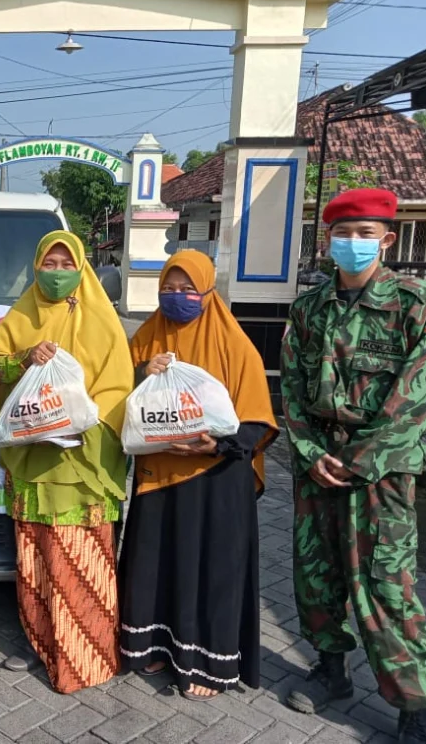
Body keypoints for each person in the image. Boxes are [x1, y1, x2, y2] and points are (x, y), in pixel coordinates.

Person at [281, 188, 426, 743]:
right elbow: (293, 392)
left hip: (383, 474)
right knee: (315, 575)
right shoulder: (308, 308)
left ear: (387, 240)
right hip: (317, 466)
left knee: (387, 586)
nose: (351, 244)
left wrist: (356, 461)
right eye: (342, 234)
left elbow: (417, 398)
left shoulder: (416, 304)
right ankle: (331, 670)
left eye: (364, 235)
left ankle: (415, 704)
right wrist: (309, 454)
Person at [0, 230, 133, 694]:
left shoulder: (102, 320)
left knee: (82, 560)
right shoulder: (20, 314)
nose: (58, 273)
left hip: (82, 466)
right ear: (36, 267)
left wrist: (77, 423)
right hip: (32, 462)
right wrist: (22, 360)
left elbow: (118, 387)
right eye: (51, 264)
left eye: (68, 265)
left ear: (82, 268)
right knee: (35, 558)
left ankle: (91, 648)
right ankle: (37, 641)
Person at [119, 250, 277, 701]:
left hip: (215, 478)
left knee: (209, 568)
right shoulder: (149, 335)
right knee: (159, 561)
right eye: (168, 289)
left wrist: (219, 445)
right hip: (160, 472)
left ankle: (206, 666)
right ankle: (154, 647)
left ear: (208, 291)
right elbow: (120, 395)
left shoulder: (234, 343)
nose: (177, 297)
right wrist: (139, 374)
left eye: (188, 289)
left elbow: (256, 419)